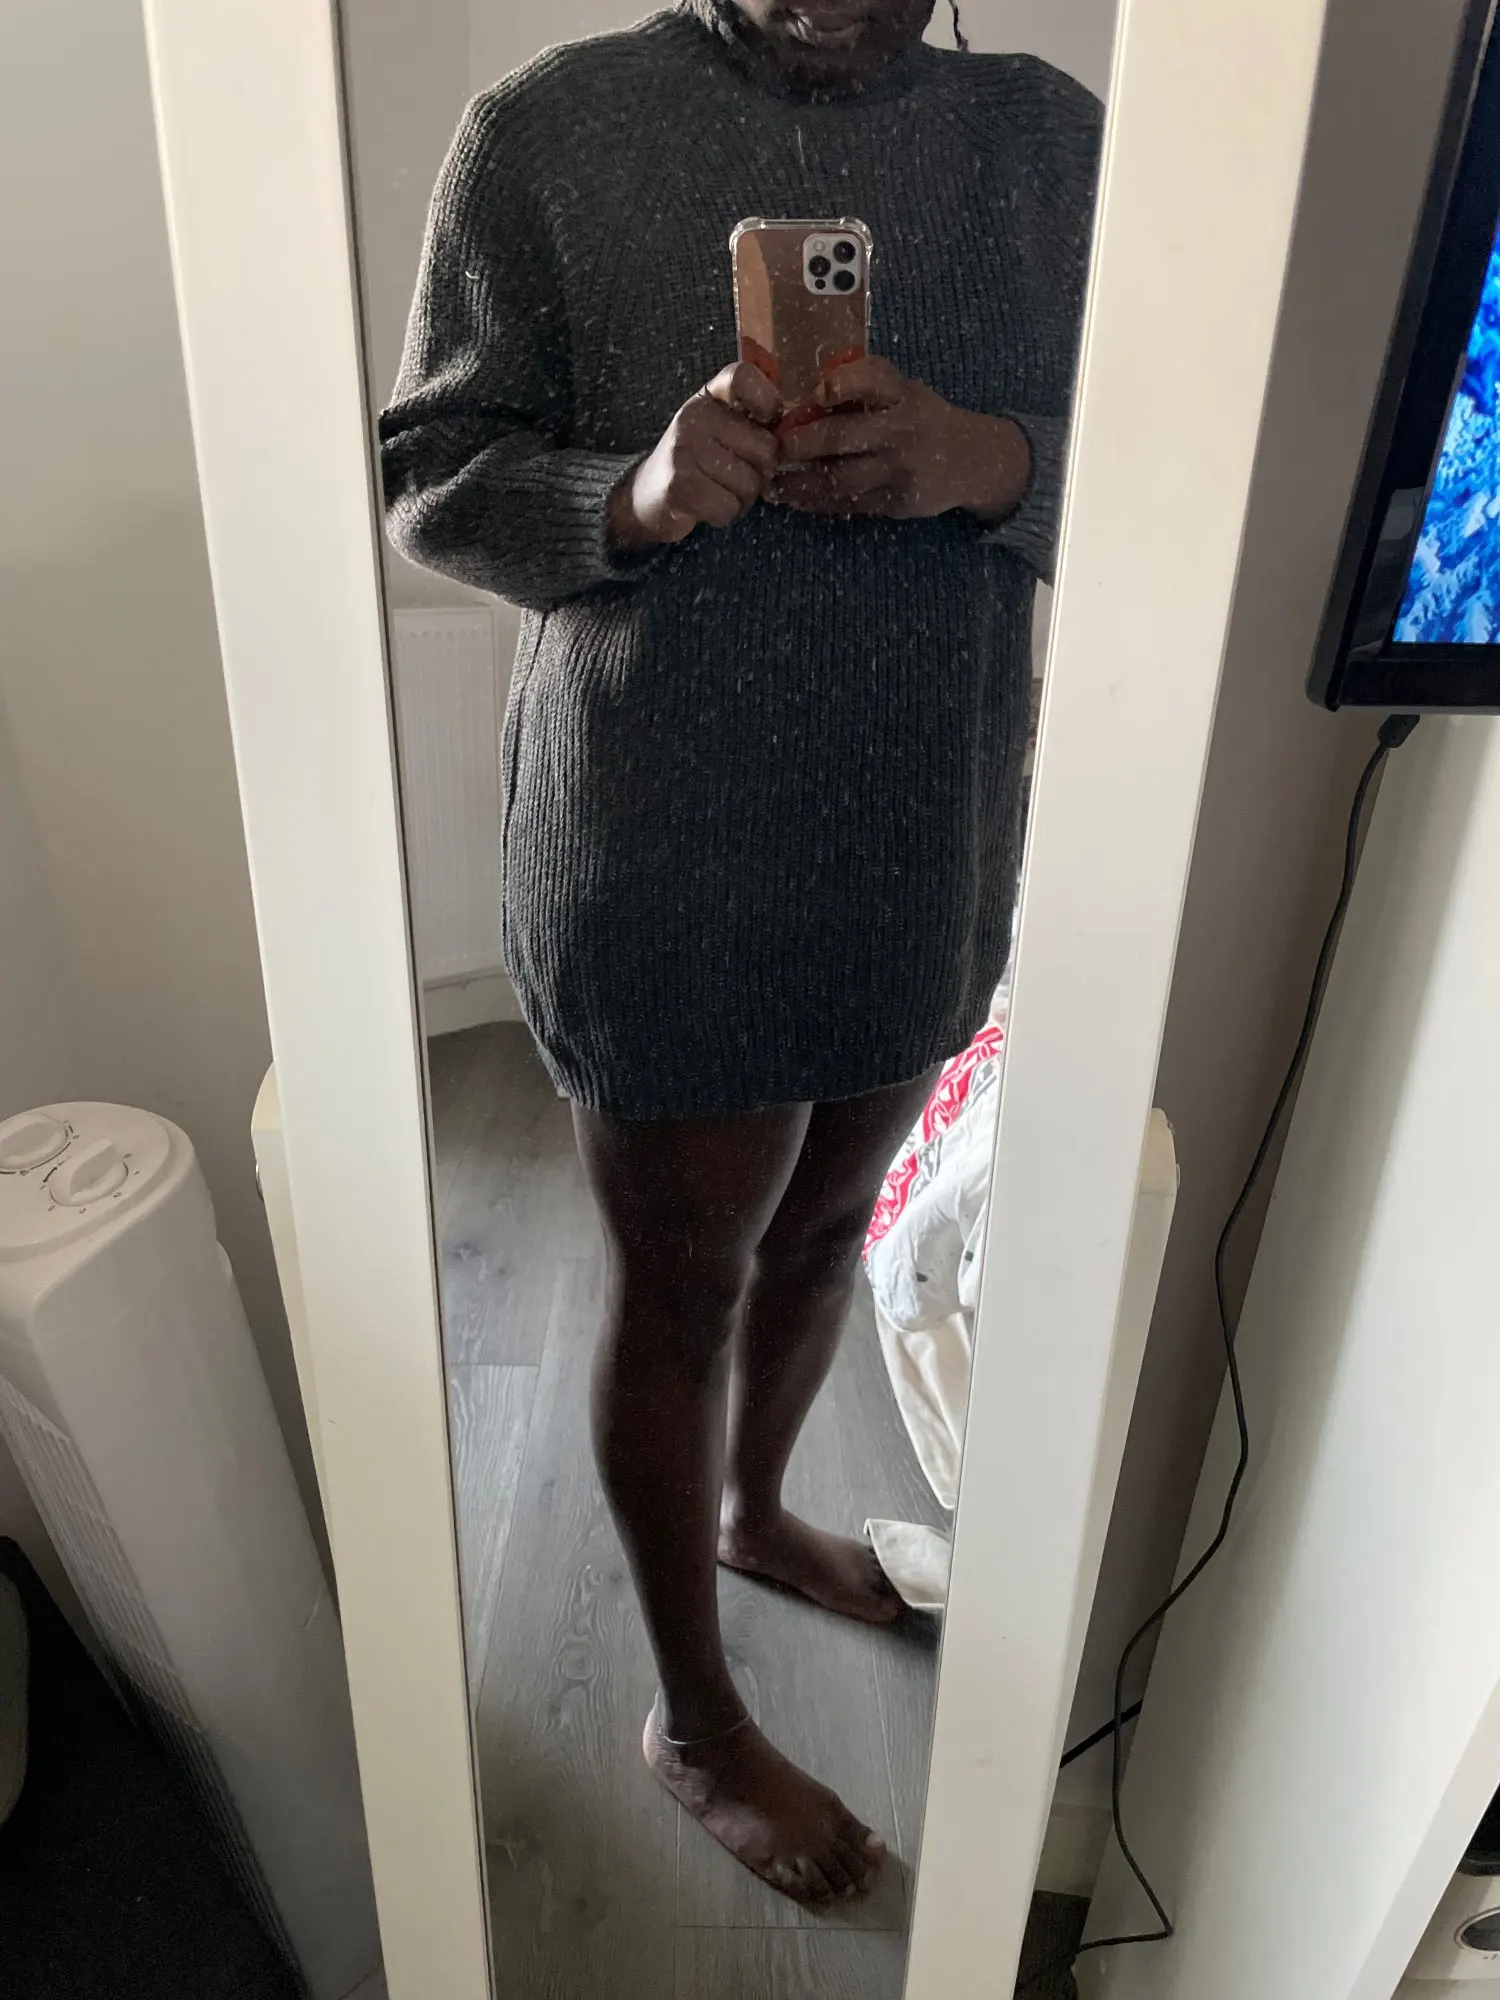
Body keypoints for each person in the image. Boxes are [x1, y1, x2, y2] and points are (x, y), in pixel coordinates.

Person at [382, 0, 1100, 1910]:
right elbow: (431, 466)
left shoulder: (1050, 146)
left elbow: (1178, 470)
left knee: (828, 1224)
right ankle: (695, 1725)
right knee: (684, 1278)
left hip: (921, 829)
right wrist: (627, 495)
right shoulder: (547, 133)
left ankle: (755, 1511)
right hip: (656, 845)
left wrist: (987, 458)